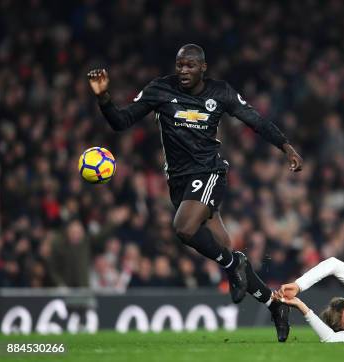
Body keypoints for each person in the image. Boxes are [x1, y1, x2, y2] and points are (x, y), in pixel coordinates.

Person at [87, 43, 303, 342]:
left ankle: (234, 265)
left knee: (184, 228)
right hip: (179, 182)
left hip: (209, 172)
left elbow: (255, 120)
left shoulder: (220, 92)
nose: (184, 71)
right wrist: (104, 97)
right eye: (180, 65)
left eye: (190, 66)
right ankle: (274, 305)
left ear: (203, 67)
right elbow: (121, 122)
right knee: (225, 248)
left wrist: (285, 146)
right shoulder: (159, 90)